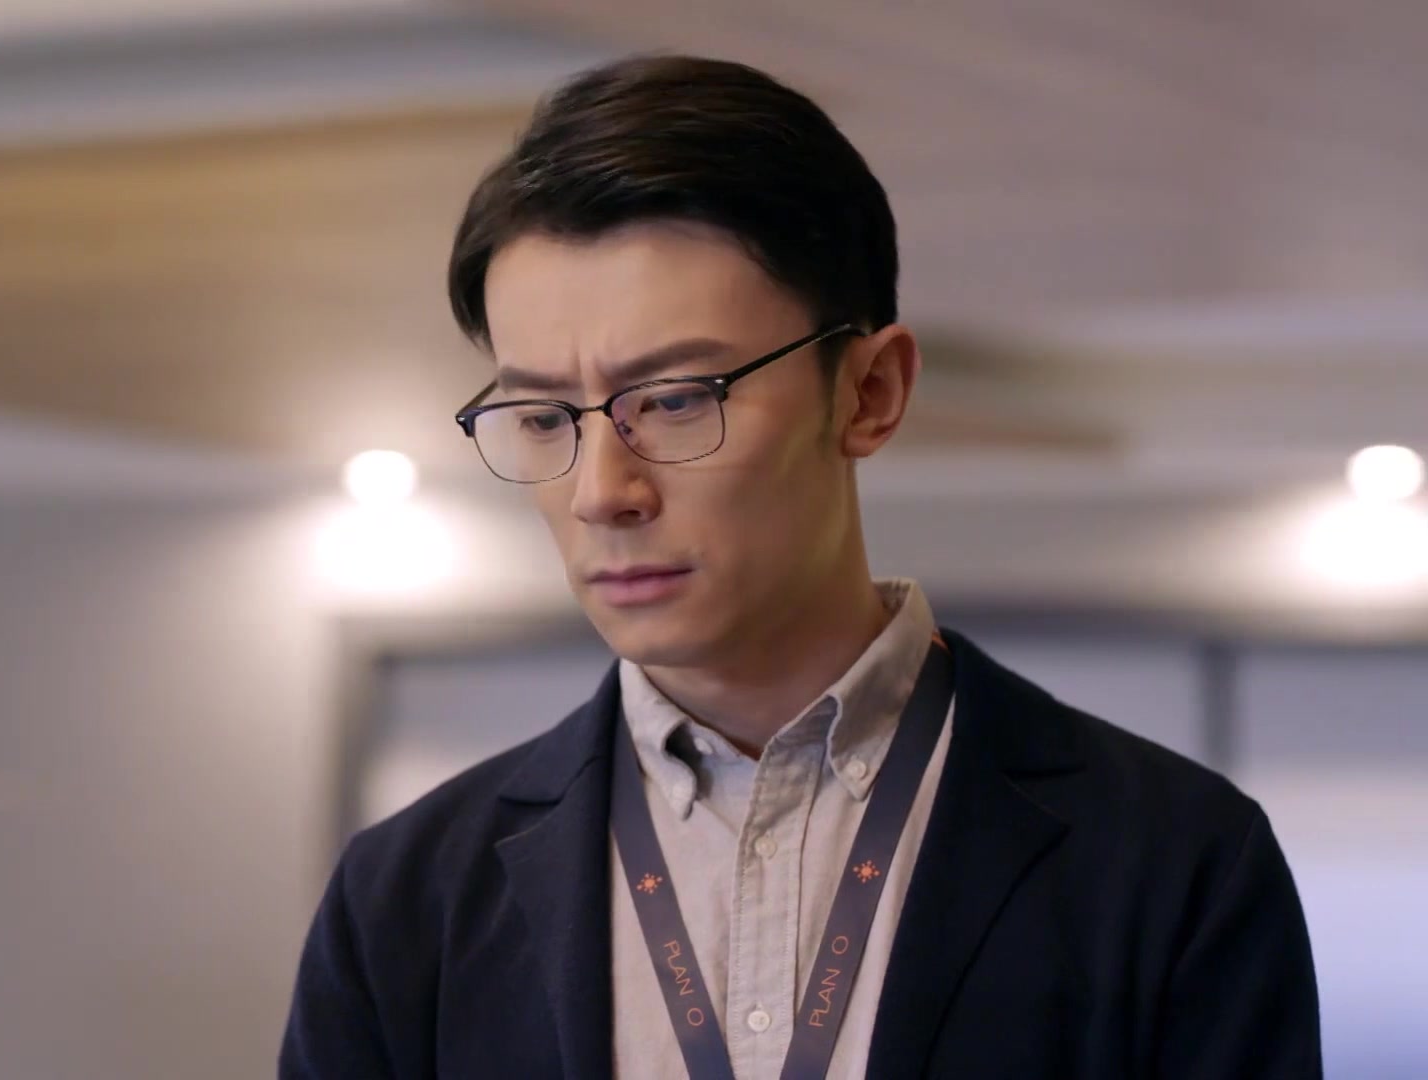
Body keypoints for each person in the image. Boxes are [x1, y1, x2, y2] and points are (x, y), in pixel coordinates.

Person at [280, 54, 1322, 1079]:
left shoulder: (1170, 859)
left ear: (869, 393)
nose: (603, 491)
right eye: (546, 416)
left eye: (676, 400)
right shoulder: (405, 899)